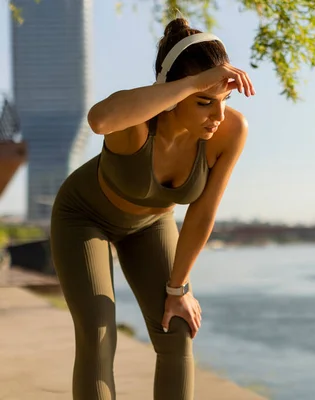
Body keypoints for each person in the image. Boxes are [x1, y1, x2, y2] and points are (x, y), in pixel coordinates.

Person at [50, 17, 255, 400]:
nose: (218, 116)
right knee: (98, 332)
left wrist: (179, 289)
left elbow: (203, 212)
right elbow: (99, 119)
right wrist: (193, 83)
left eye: (224, 100)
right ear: (176, 93)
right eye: (204, 101)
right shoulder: (137, 124)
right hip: (83, 218)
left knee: (177, 331)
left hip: (150, 225)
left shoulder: (229, 132)